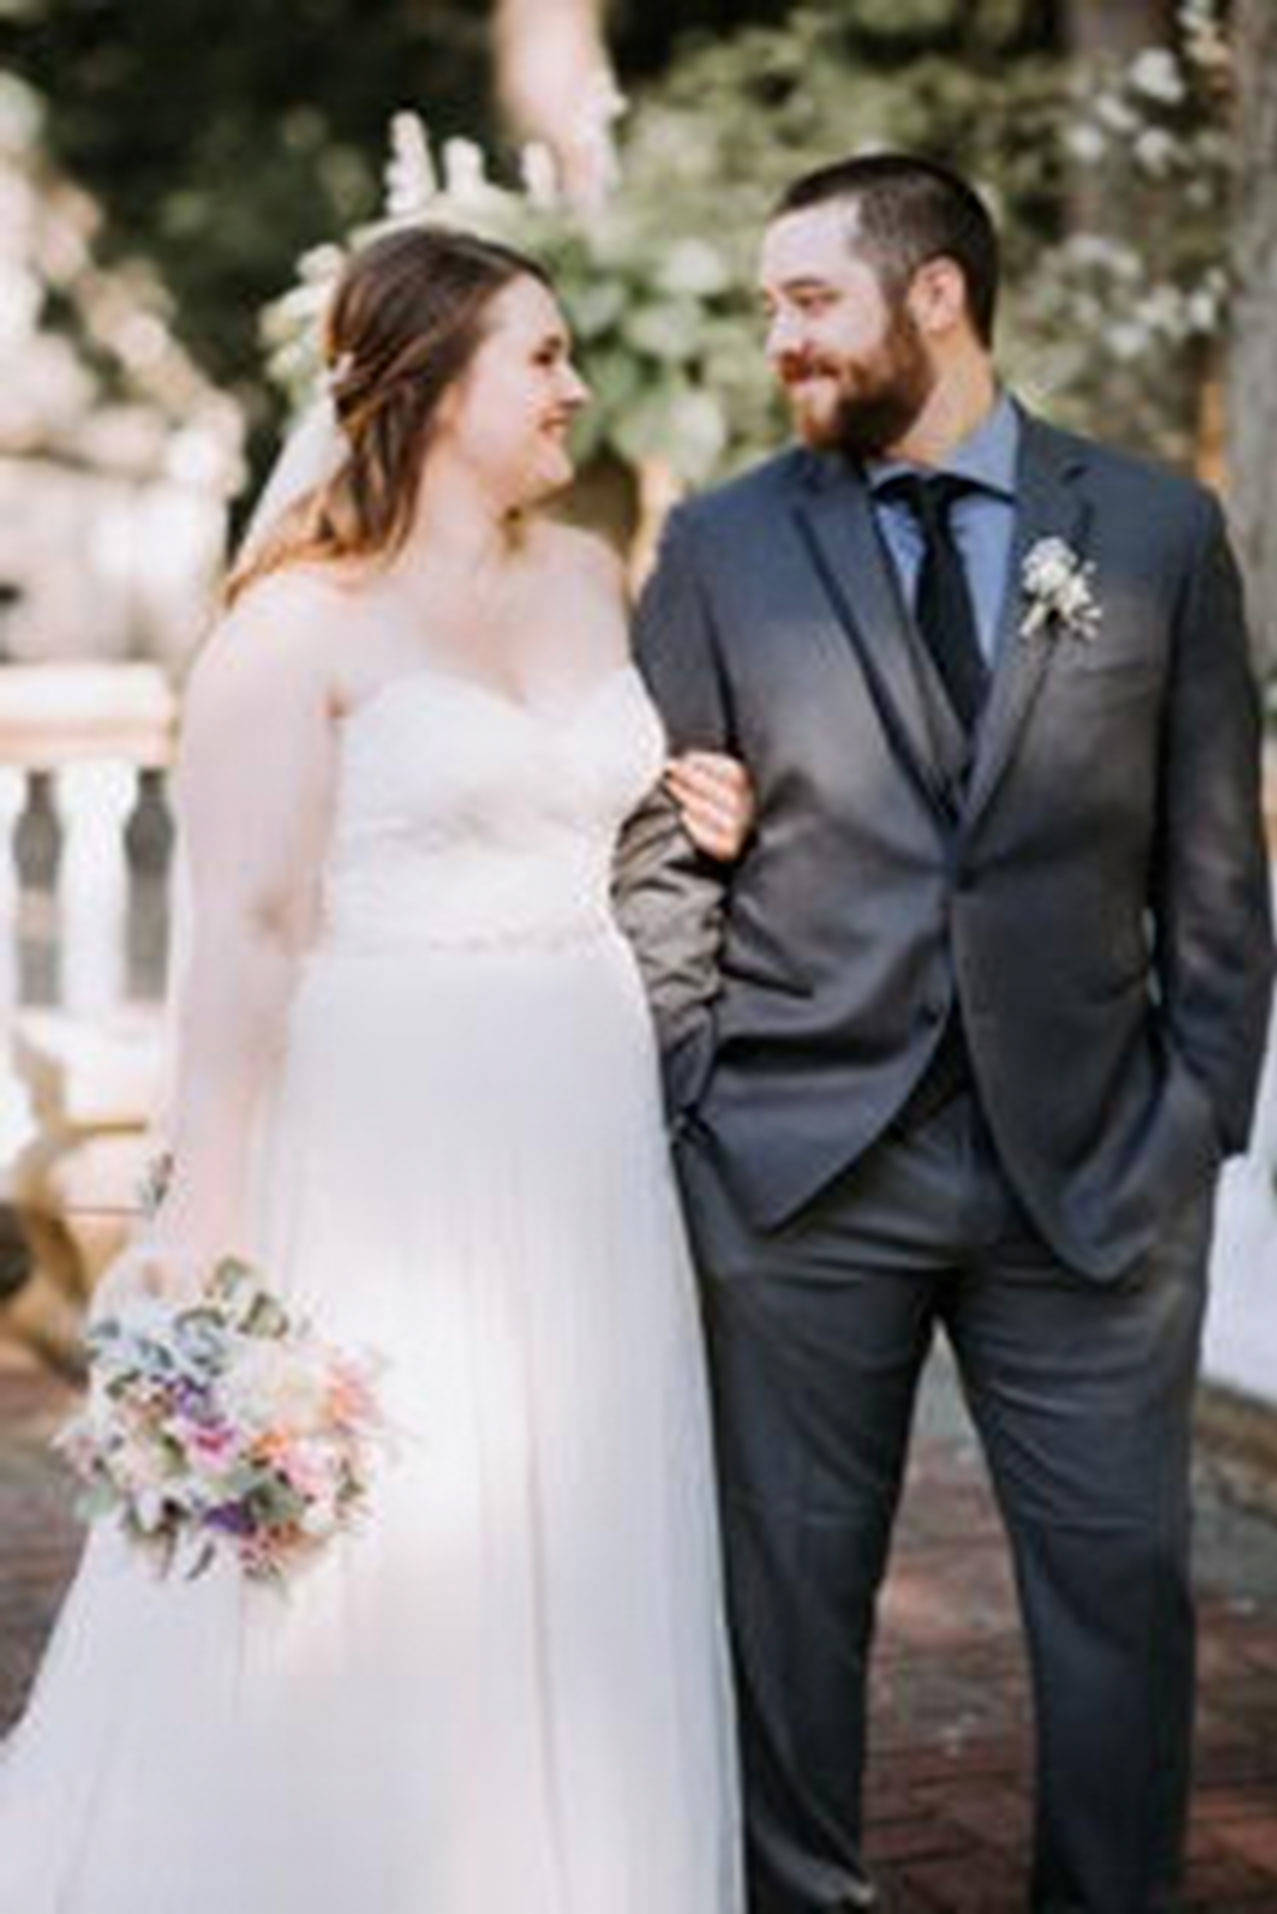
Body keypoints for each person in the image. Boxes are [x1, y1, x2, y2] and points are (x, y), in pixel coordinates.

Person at [0, 224, 750, 1914]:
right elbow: (247, 943)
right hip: (390, 1121)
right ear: (429, 389)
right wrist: (207, 1227)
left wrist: (699, 801)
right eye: (541, 358)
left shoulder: (583, 573)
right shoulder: (291, 631)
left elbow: (593, 798)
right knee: (392, 1527)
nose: (578, 387)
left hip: (579, 1097)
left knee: (570, 1503)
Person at [614, 153, 1274, 1914]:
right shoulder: (722, 544)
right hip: (799, 1167)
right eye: (768, 307)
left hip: (1095, 1172)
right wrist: (698, 1095)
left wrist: (1197, 1105)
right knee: (790, 1610)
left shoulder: (1150, 530)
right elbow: (656, 854)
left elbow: (1218, 857)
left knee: (1121, 1600)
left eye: (805, 300)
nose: (777, 340)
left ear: (935, 296)